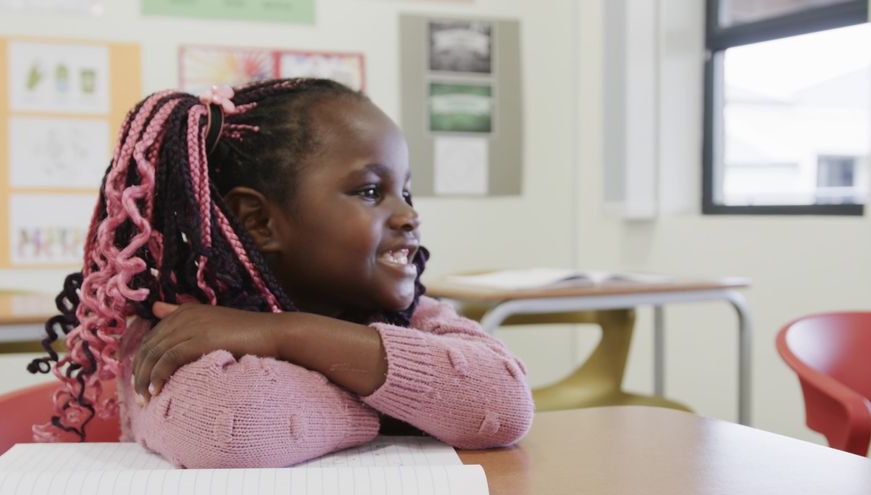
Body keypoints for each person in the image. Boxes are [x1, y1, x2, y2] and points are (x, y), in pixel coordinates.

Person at [29, 78, 534, 468]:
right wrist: (413, 406)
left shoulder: (409, 314)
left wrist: (284, 334)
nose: (409, 215)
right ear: (260, 222)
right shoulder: (179, 330)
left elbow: (503, 404)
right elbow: (237, 427)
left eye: (406, 191)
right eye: (369, 191)